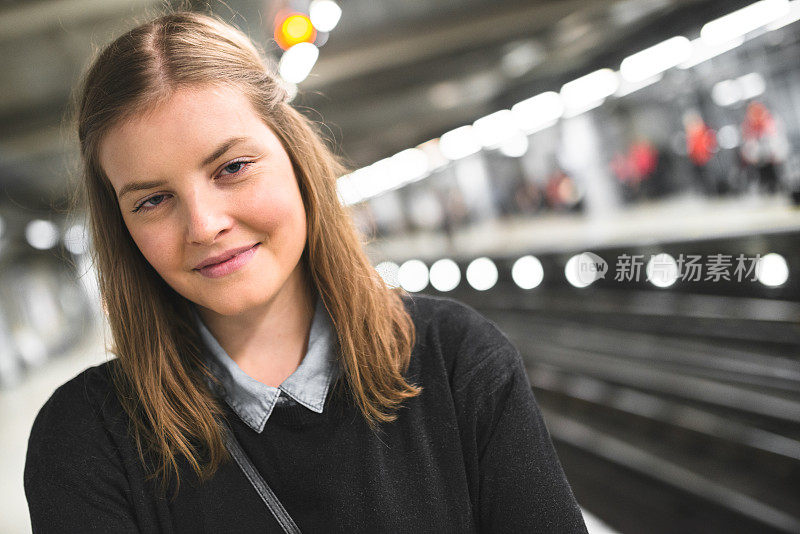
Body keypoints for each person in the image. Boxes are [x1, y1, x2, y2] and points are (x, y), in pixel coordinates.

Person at [23, 10, 588, 533]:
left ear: (296, 159)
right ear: (120, 228)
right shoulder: (84, 442)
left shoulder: (457, 360)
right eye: (151, 201)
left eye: (233, 167)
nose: (204, 225)